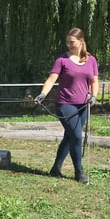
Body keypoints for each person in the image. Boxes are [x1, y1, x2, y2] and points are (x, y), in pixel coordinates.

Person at [34, 27, 99, 184]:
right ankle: (79, 172)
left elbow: (94, 80)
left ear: (81, 41)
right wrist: (43, 93)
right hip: (65, 104)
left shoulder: (91, 60)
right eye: (67, 42)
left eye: (72, 42)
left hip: (83, 105)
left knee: (70, 136)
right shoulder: (62, 60)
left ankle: (56, 168)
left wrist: (94, 96)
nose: (68, 45)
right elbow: (51, 80)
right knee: (76, 136)